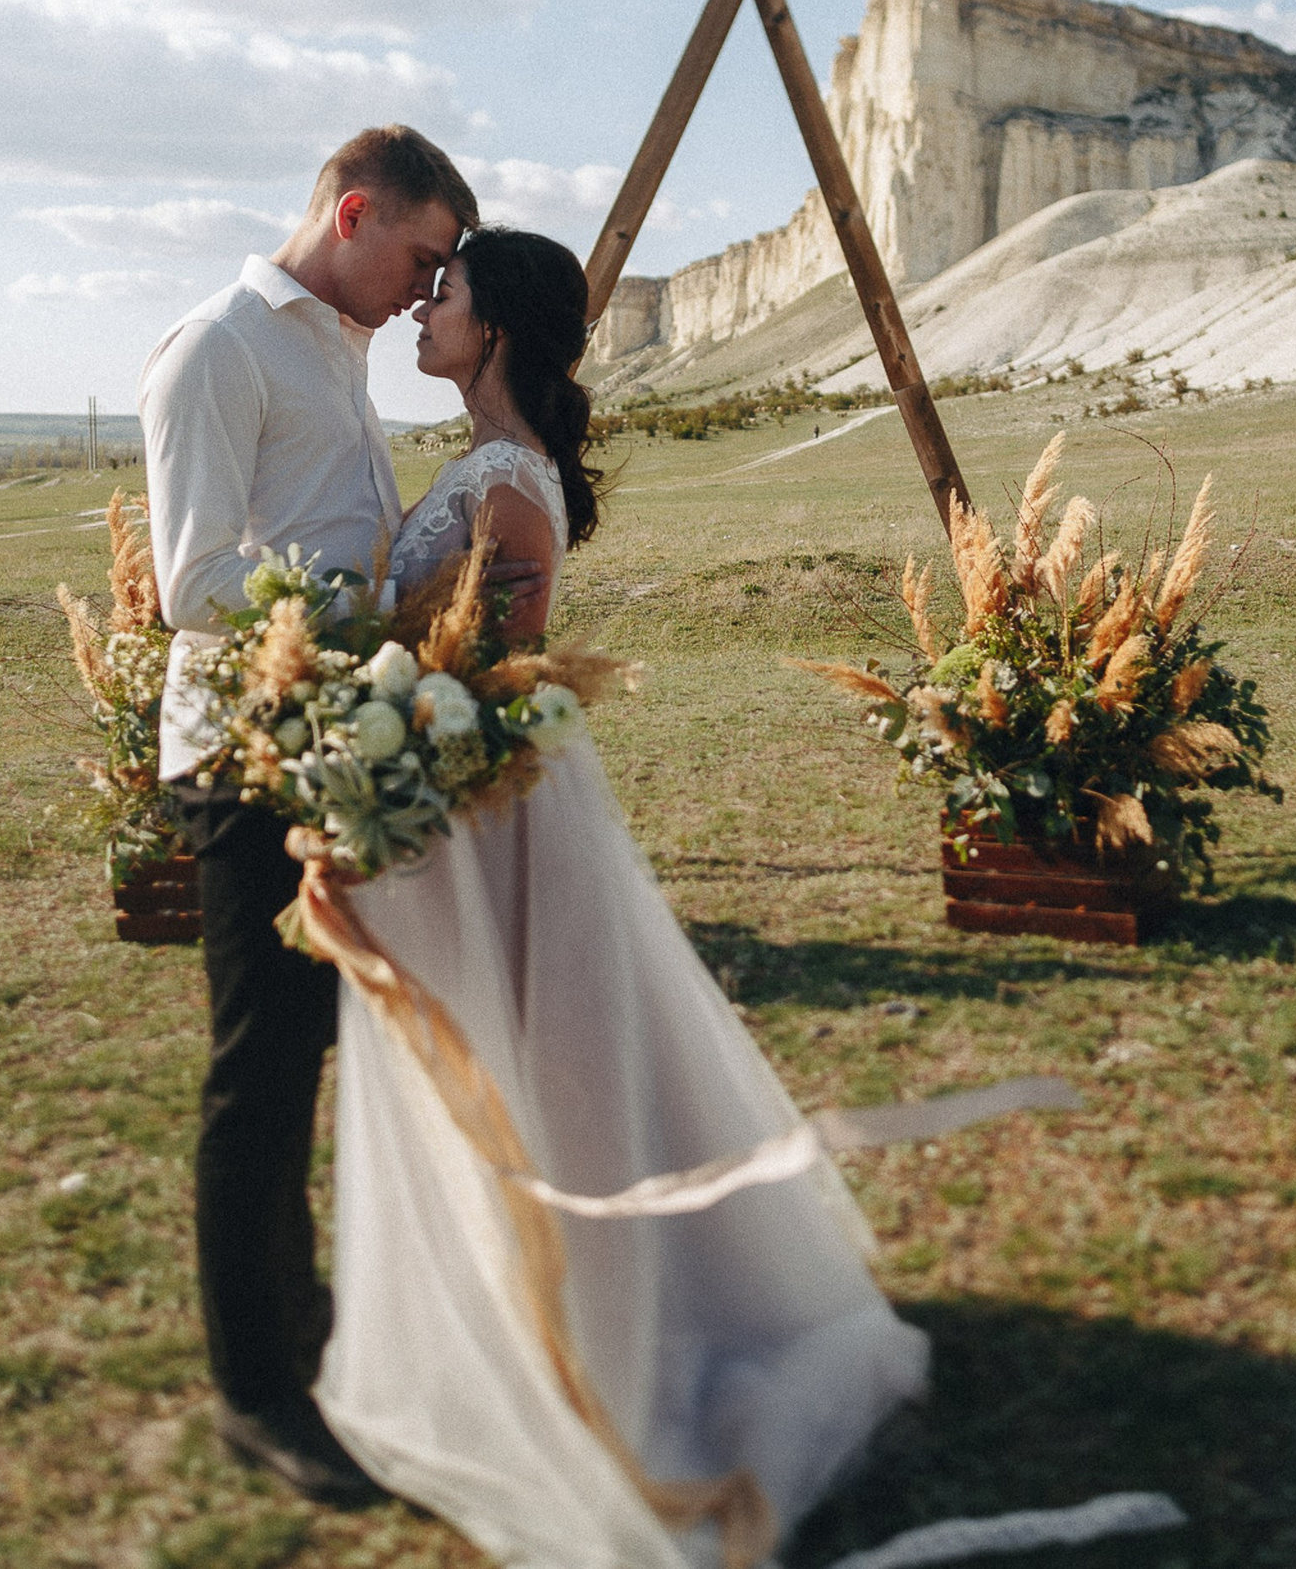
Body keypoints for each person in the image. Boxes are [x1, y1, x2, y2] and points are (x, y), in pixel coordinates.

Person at [311, 228, 929, 1567]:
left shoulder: (511, 483)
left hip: (493, 810)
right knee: (488, 1062)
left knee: (539, 1063)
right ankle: (514, 1314)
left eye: (449, 291)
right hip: (454, 792)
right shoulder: (482, 464)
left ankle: (596, 1351)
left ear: (503, 328)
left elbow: (494, 658)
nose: (426, 306)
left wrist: (365, 706)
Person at [141, 125, 480, 1506]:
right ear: (351, 213)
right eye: (418, 254)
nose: (424, 286)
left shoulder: (332, 350)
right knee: (258, 1072)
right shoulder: (219, 347)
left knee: (313, 1061)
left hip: (325, 745)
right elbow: (194, 581)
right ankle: (256, 1391)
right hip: (242, 760)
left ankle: (303, 1321)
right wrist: (371, 620)